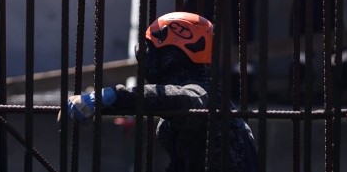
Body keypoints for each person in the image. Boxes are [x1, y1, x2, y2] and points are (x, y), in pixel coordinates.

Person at [64, 12, 258, 172]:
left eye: (151, 50)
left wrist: (110, 95)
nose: (146, 59)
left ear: (171, 53)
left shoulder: (203, 92)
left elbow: (181, 99)